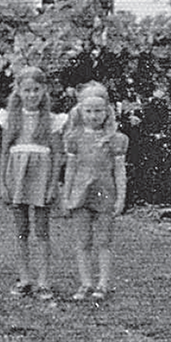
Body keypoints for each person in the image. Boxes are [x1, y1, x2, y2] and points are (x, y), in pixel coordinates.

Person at [0, 66, 63, 300]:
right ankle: (25, 277)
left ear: (44, 91)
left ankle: (43, 279)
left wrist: (53, 183)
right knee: (21, 230)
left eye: (36, 90)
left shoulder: (52, 120)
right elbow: (4, 151)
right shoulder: (10, 118)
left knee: (42, 230)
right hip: (16, 174)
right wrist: (3, 183)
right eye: (27, 90)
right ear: (18, 91)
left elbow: (58, 154)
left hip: (42, 175)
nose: (32, 95)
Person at [61, 81, 128, 301]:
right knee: (83, 240)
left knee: (104, 240)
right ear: (80, 111)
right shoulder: (74, 138)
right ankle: (86, 282)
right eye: (88, 111)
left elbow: (119, 171)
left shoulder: (115, 140)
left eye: (98, 111)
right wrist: (66, 194)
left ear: (106, 111)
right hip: (81, 193)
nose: (93, 115)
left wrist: (120, 198)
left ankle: (103, 282)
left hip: (105, 193)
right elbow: (70, 170)